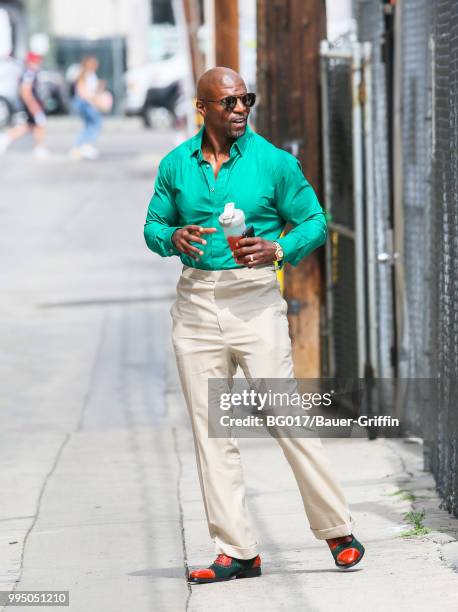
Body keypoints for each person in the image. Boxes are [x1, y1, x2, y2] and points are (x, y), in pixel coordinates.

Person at [144, 67, 365, 584]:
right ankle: (237, 551)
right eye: (229, 102)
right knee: (209, 430)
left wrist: (280, 247)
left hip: (255, 299)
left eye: (247, 99)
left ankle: (338, 531)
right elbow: (153, 225)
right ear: (203, 108)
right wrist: (172, 237)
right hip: (195, 303)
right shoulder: (176, 165)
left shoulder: (273, 163)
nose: (241, 108)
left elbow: (313, 219)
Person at [0, 52, 49, 159]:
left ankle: (6, 137)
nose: (38, 62)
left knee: (30, 126)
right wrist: (33, 106)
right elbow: (25, 91)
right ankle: (39, 147)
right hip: (33, 104)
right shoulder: (29, 73)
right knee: (40, 124)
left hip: (33, 103)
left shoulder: (30, 72)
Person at [70, 56, 111, 160]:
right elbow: (82, 91)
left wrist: (100, 87)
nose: (96, 66)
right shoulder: (84, 74)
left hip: (88, 102)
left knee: (90, 125)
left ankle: (82, 146)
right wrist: (94, 101)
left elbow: (93, 90)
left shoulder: (91, 75)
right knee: (95, 124)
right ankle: (80, 146)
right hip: (85, 103)